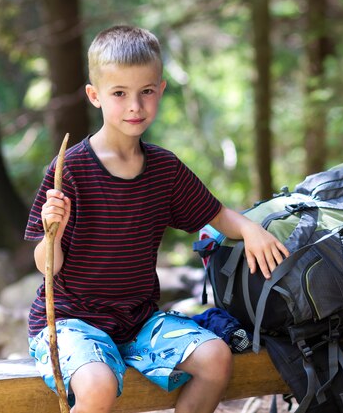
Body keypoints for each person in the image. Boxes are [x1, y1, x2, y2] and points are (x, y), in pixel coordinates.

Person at [25, 25, 289, 413]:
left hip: (138, 321)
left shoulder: (164, 169)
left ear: (160, 91)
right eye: (119, 94)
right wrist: (54, 232)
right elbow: (47, 267)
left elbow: (215, 214)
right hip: (71, 322)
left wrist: (250, 229)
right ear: (95, 96)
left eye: (146, 91)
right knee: (96, 387)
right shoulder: (71, 170)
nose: (135, 106)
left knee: (216, 357)